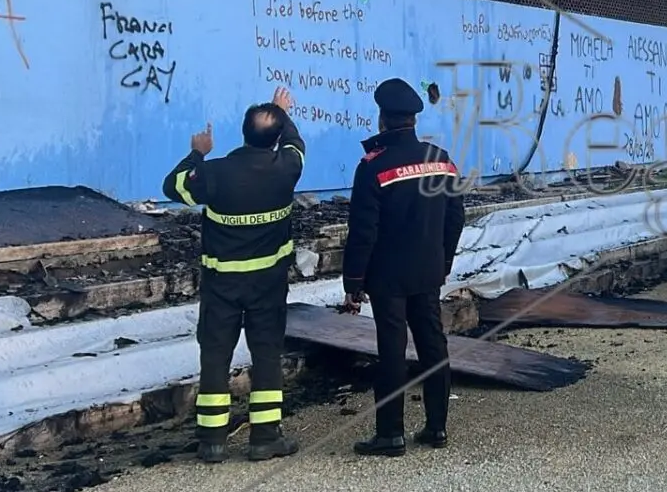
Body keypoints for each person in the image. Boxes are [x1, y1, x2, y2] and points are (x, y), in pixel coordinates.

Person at [162, 87, 306, 463]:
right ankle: (265, 438)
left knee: (215, 356)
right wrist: (281, 111)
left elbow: (172, 186)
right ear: (276, 139)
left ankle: (212, 441)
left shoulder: (214, 173)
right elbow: (295, 143)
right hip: (268, 284)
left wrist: (198, 152)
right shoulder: (287, 168)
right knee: (267, 355)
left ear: (243, 133)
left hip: (221, 285)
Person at [340, 78, 467, 457]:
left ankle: (390, 434)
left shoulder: (373, 167)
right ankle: (437, 427)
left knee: (392, 350)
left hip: (387, 276)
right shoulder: (441, 160)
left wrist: (353, 281)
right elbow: (455, 218)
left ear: (382, 118)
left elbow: (364, 231)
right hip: (428, 270)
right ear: (414, 119)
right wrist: (444, 260)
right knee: (433, 344)